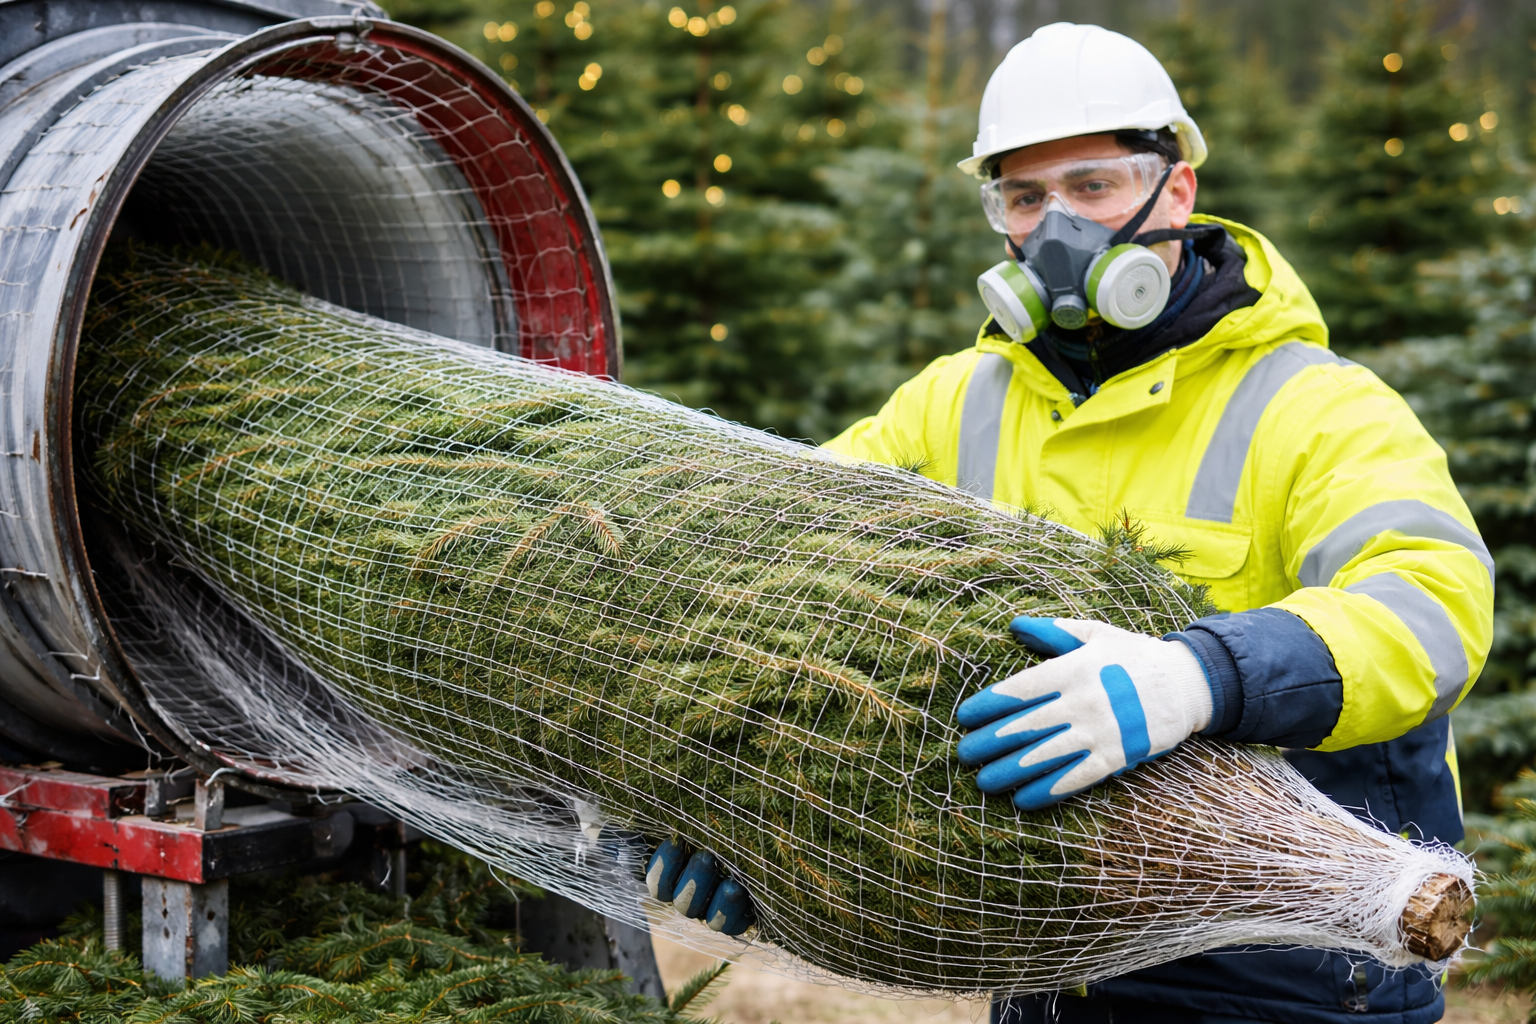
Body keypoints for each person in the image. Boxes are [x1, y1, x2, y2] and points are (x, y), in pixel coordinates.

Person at [817, 21, 1491, 1024]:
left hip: (1293, 981)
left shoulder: (1313, 404)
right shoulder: (954, 402)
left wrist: (1204, 676)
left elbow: (1431, 610)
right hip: (1052, 968)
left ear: (1176, 192)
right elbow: (793, 575)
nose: (1059, 230)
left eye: (1094, 186)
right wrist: (750, 812)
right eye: (1026, 196)